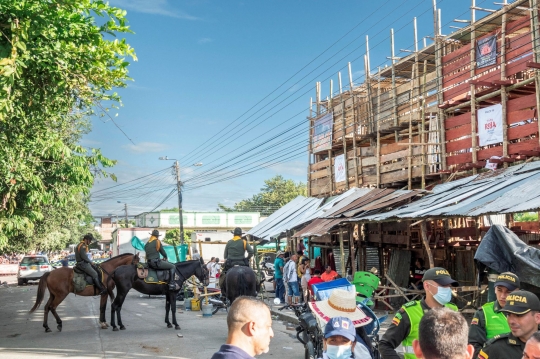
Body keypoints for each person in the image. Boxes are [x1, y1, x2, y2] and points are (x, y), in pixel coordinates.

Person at [379, 267, 459, 359]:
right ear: (427, 286)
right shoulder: (409, 312)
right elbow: (385, 345)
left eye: (449, 285)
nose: (447, 289)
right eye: (442, 285)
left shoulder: (453, 309)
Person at [310, 289, 374, 359]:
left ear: (353, 345)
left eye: (344, 341)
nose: (338, 346)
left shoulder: (358, 346)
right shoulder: (355, 335)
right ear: (324, 342)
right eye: (333, 340)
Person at [469, 272, 520, 358]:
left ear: (518, 292)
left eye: (508, 292)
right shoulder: (483, 313)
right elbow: (474, 346)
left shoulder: (527, 312)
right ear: (495, 289)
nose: (503, 296)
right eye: (499, 290)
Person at [479, 290, 540, 359]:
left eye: (518, 315)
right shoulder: (495, 347)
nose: (511, 321)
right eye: (508, 314)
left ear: (537, 318)